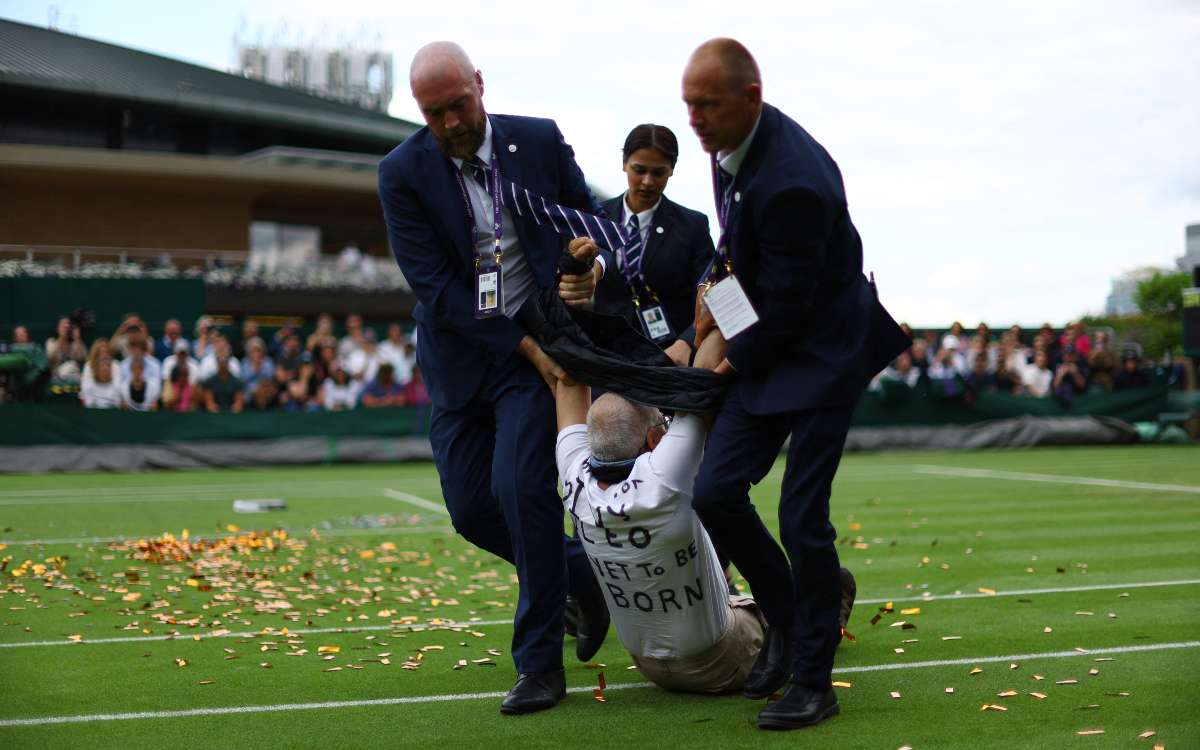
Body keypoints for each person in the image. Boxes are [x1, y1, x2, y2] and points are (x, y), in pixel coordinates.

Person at [378, 41, 616, 715]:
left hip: (534, 353)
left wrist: (592, 261)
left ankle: (538, 666)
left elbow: (587, 213)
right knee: (473, 512)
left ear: (480, 86)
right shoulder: (400, 173)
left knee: (523, 494)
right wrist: (523, 349)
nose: (452, 122)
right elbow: (438, 289)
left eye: (459, 104)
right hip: (460, 360)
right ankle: (589, 576)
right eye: (435, 113)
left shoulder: (537, 140)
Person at [680, 39, 909, 730]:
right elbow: (738, 255)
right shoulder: (729, 145)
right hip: (776, 339)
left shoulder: (793, 180)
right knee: (715, 492)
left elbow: (780, 309)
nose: (695, 118)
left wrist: (716, 365)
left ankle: (814, 682)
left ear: (750, 96)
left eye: (708, 104)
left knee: (802, 519)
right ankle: (786, 618)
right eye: (688, 103)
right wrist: (712, 295)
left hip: (825, 352)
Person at [594, 124, 716, 366]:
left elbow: (709, 292)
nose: (647, 181)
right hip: (606, 355)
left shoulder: (693, 225)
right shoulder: (598, 217)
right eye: (639, 170)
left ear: (672, 170)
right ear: (624, 163)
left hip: (668, 356)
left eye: (658, 172)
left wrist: (686, 342)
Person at [240, 337, 275, 404]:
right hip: (250, 391)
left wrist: (260, 367)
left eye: (258, 351)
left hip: (265, 389)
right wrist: (254, 368)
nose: (256, 354)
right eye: (253, 351)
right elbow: (244, 379)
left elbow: (271, 377)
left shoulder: (268, 361)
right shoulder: (245, 362)